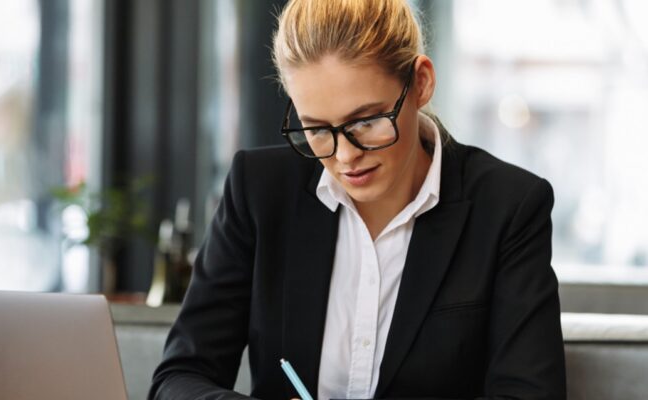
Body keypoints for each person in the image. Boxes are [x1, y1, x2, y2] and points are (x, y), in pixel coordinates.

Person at [149, 0, 566, 399]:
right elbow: (179, 378)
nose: (345, 155)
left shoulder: (509, 207)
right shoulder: (259, 191)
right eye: (315, 128)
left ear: (420, 83)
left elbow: (530, 395)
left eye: (366, 121)